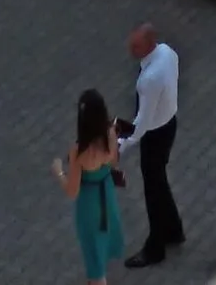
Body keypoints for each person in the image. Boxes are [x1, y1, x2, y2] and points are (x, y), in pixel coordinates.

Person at [116, 23, 183, 268]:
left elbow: (141, 125)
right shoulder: (168, 52)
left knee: (153, 191)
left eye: (136, 46)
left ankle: (155, 248)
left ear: (148, 44)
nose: (130, 49)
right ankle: (174, 230)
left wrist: (119, 148)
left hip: (154, 134)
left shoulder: (149, 79)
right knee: (160, 182)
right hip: (169, 124)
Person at [52, 86, 126, 283]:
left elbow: (72, 190)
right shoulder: (110, 133)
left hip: (89, 205)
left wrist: (59, 171)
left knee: (93, 255)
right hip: (106, 194)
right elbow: (113, 161)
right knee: (101, 242)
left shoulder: (79, 152)